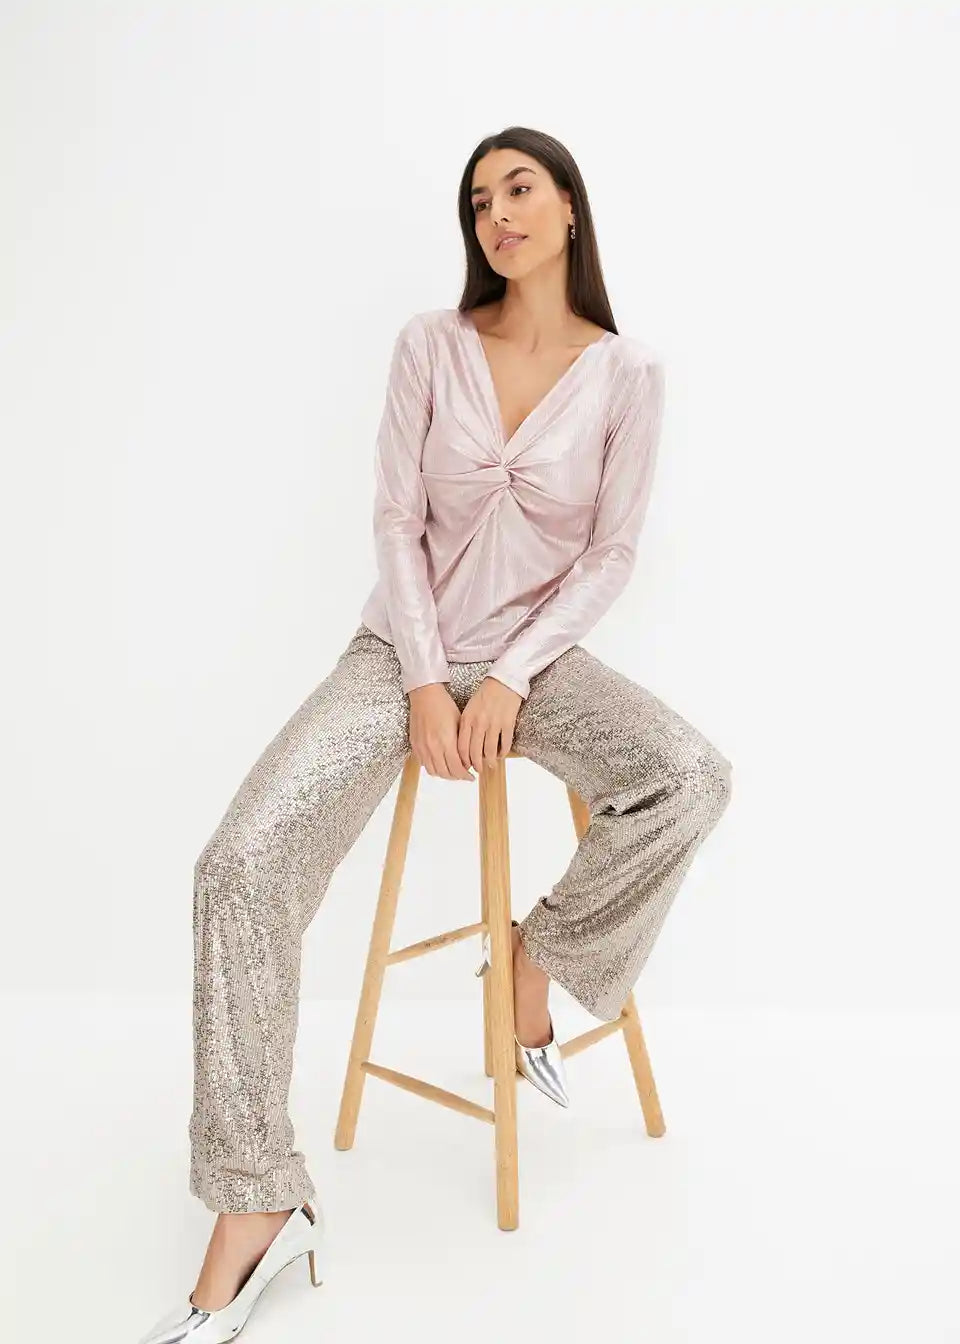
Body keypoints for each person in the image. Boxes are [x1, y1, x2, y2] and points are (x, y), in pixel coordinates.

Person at [137, 125, 732, 1344]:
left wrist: (508, 673)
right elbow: (395, 518)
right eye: (477, 202)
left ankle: (532, 964)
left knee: (688, 774)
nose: (496, 215)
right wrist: (422, 680)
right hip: (397, 654)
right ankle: (256, 1199)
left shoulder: (629, 374)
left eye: (519, 190)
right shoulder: (430, 344)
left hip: (538, 661)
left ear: (569, 208)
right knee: (237, 868)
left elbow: (611, 553)